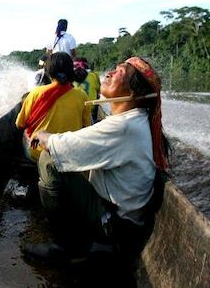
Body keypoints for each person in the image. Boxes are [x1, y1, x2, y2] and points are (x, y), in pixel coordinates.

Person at [23, 57, 170, 262]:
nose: (109, 73)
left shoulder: (124, 126)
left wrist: (43, 135)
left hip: (114, 225)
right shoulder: (133, 120)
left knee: (49, 159)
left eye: (119, 72)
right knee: (65, 157)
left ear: (133, 92)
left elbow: (61, 147)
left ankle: (67, 245)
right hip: (121, 214)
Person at [15, 52, 91, 162]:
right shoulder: (82, 95)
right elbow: (86, 125)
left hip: (40, 153)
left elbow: (20, 124)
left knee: (25, 133)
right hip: (70, 152)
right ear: (71, 71)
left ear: (49, 72)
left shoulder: (36, 93)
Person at [73, 58, 101, 122]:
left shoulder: (70, 77)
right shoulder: (94, 75)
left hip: (76, 110)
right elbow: (99, 91)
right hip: (91, 109)